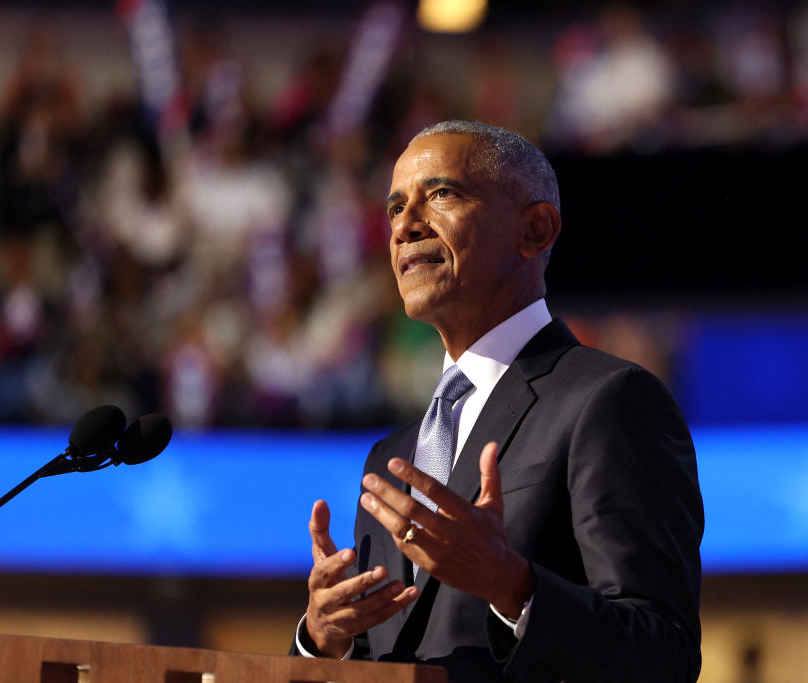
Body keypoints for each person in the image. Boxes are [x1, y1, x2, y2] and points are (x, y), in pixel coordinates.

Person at [291, 120, 704, 682]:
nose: (405, 226)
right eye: (394, 209)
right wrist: (322, 637)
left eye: (440, 195)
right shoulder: (392, 454)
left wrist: (511, 586)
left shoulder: (610, 401)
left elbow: (665, 654)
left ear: (535, 230)